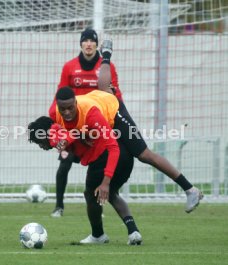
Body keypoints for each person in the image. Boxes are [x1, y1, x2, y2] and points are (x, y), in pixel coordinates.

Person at [50, 86, 204, 214]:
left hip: (114, 112)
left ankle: (190, 190)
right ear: (57, 106)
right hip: (100, 103)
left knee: (144, 155)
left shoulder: (91, 113)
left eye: (70, 108)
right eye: (63, 109)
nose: (67, 112)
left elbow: (112, 147)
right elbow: (70, 129)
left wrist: (106, 182)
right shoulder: (55, 113)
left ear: (76, 103)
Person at [28, 116, 142, 245]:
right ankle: (134, 232)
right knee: (111, 193)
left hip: (103, 156)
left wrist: (67, 139)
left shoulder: (54, 134)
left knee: (90, 194)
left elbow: (70, 133)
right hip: (124, 155)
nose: (41, 146)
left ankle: (98, 235)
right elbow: (77, 131)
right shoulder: (66, 125)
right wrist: (81, 136)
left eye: (39, 141)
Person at [48, 28, 123, 217]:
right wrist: (54, 120)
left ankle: (98, 205)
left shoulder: (106, 68)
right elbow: (60, 94)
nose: (89, 44)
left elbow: (115, 93)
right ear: (80, 44)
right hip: (73, 127)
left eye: (92, 41)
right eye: (85, 40)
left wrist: (120, 116)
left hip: (95, 127)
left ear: (97, 44)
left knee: (98, 166)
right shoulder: (69, 67)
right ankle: (59, 206)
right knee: (64, 163)